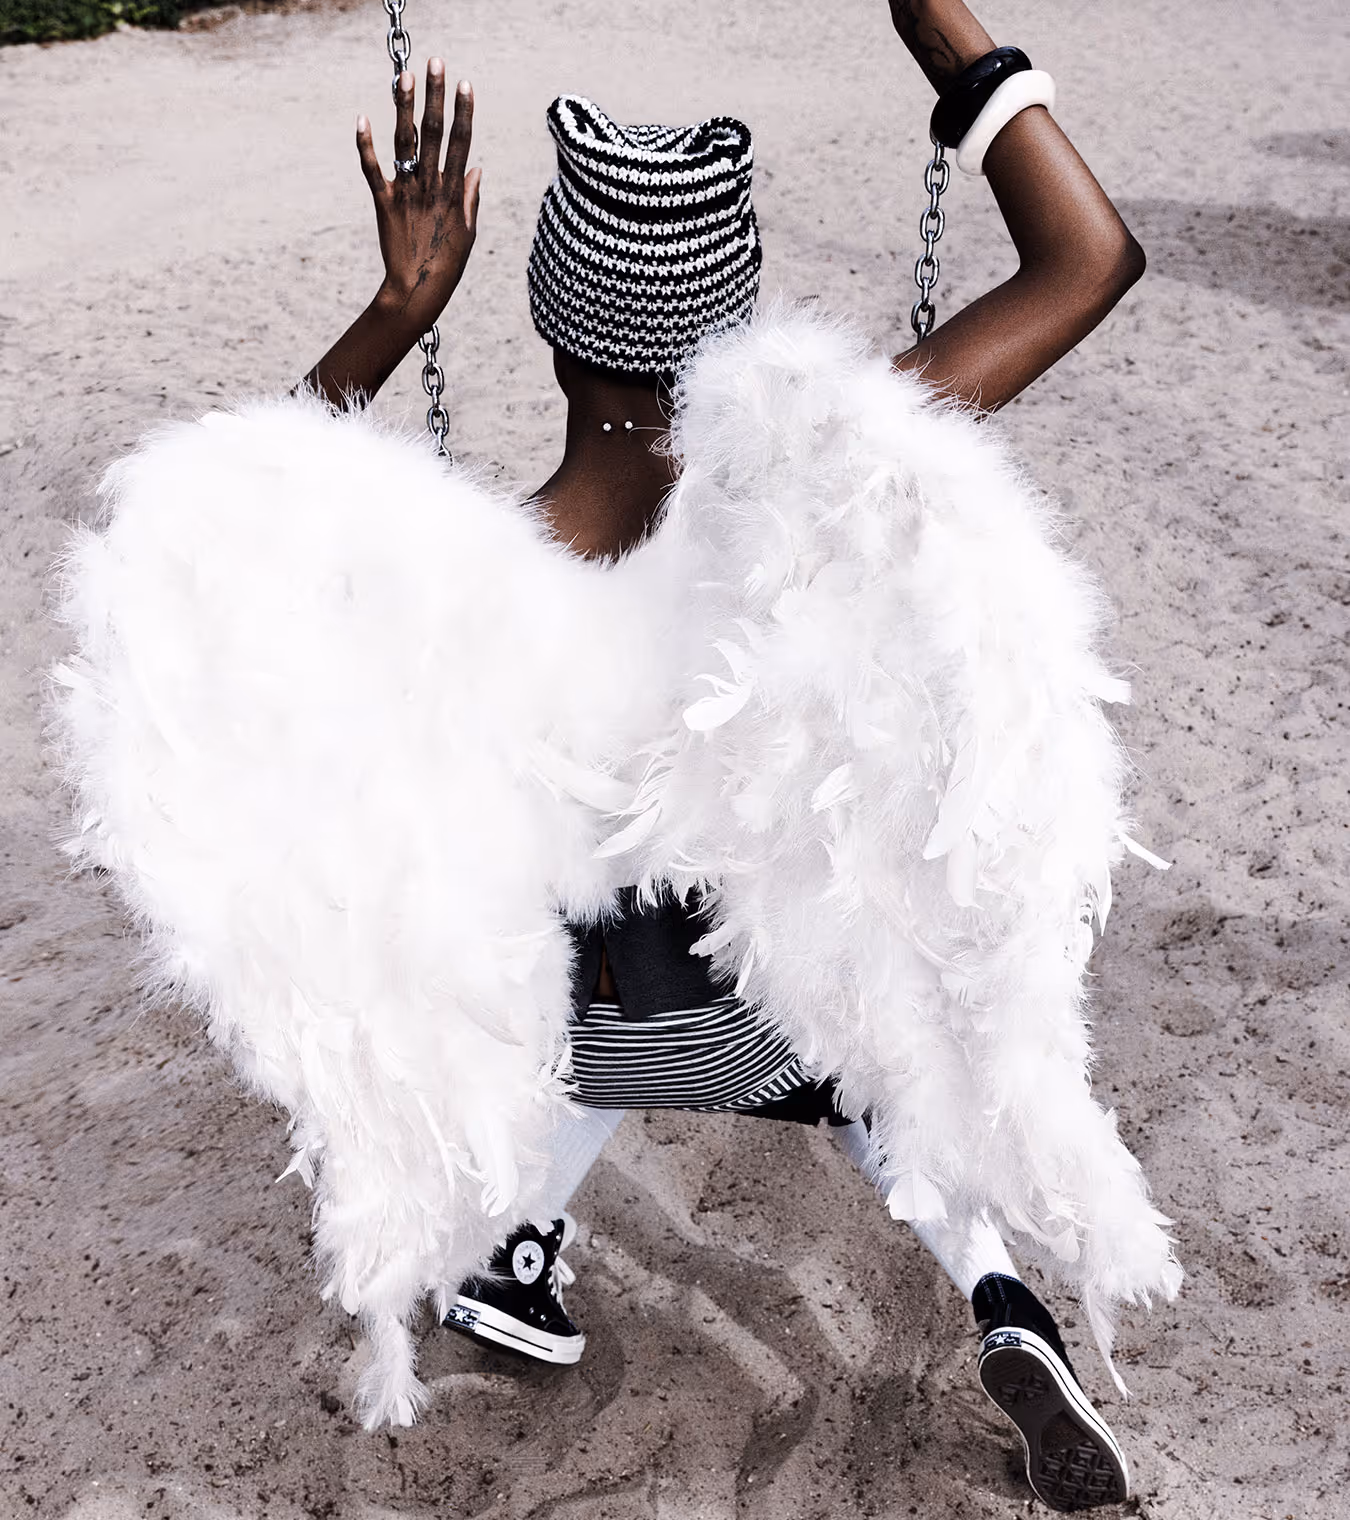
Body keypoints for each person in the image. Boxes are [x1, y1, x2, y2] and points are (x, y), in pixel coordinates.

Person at [294, 2, 1148, 1509]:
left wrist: (394, 310)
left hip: (579, 1030)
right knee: (884, 1028)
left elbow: (236, 542)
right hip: (782, 1023)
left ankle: (515, 1247)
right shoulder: (821, 475)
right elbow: (1089, 260)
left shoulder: (476, 562)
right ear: (738, 325)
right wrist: (939, 29)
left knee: (560, 919)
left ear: (552, 319)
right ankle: (999, 1296)